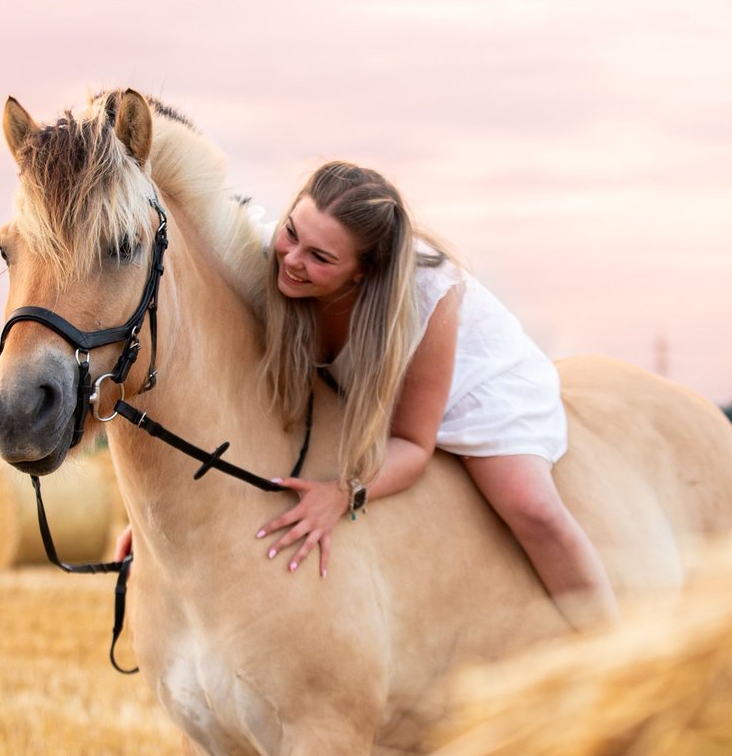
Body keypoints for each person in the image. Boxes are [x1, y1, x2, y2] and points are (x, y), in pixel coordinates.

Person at [117, 161, 619, 629]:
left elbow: (415, 445)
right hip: (358, 384)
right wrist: (157, 525)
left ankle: (611, 642)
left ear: (362, 272)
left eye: (319, 257)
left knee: (528, 504)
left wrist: (342, 494)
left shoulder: (429, 298)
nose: (291, 259)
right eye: (292, 233)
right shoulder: (268, 260)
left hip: (476, 383)